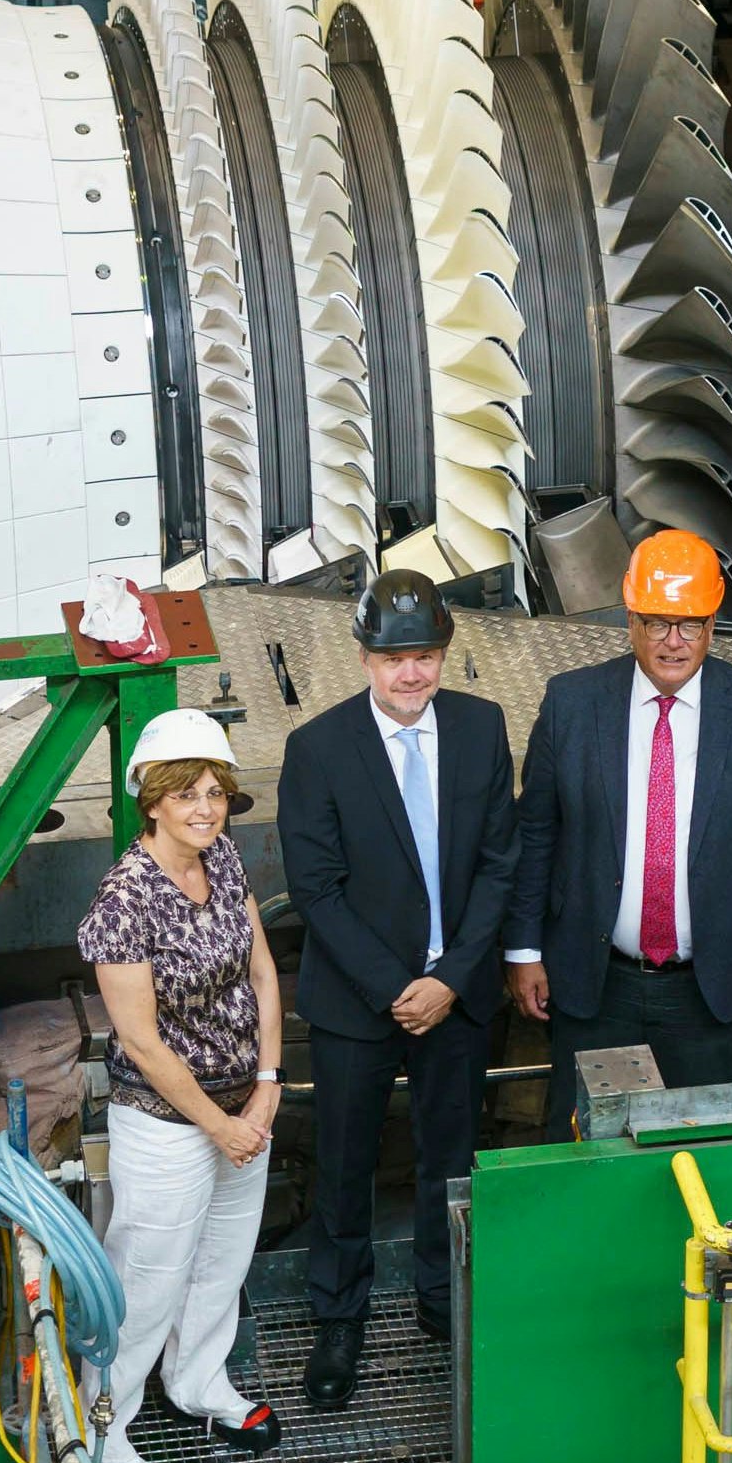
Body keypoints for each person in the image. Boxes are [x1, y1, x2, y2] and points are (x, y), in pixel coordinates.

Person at [275, 568, 513, 1410]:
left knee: (451, 1160)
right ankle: (339, 1319)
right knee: (345, 1164)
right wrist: (394, 987)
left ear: (445, 651)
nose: (410, 673)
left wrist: (448, 979)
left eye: (425, 655)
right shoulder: (318, 749)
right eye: (393, 657)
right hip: (359, 1003)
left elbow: (497, 866)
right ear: (365, 656)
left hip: (456, 995)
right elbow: (317, 886)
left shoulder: (484, 730)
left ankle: (442, 1302)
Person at [507, 529, 732, 1134]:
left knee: (697, 1157)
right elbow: (536, 835)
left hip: (709, 990)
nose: (673, 642)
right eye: (657, 623)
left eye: (690, 624)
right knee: (585, 1154)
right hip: (595, 984)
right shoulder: (572, 703)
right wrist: (523, 949)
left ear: (712, 626)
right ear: (630, 620)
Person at [77, 709, 284, 1463]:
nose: (205, 807)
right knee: (146, 1281)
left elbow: (262, 971)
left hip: (247, 1109)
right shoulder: (125, 899)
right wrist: (220, 1122)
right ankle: (105, 1429)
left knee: (221, 1263)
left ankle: (198, 1382)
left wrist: (267, 1081)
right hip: (168, 1126)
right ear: (151, 800)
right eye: (186, 793)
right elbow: (144, 1041)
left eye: (216, 792)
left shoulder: (223, 858)